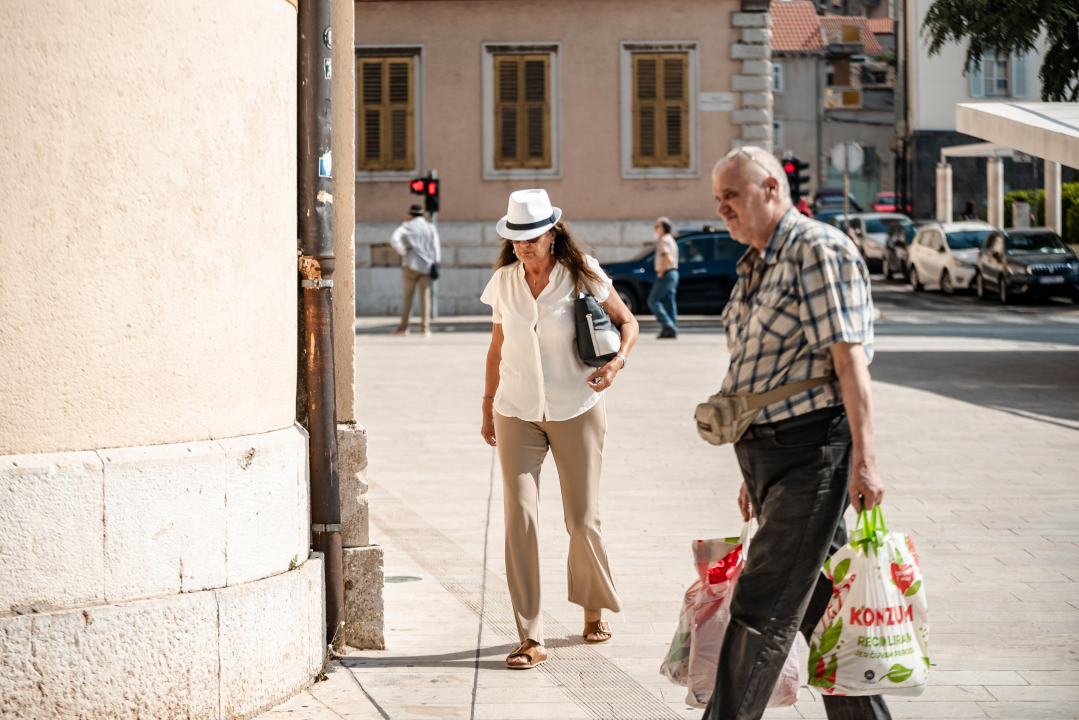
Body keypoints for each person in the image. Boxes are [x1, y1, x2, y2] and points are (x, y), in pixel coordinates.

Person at [705, 146, 889, 720]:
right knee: (822, 607)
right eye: (718, 199)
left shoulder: (817, 249)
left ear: (770, 188)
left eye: (731, 195)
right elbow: (763, 373)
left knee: (760, 606)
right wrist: (751, 472)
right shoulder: (756, 264)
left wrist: (866, 461)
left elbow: (849, 362)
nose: (723, 209)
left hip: (813, 453)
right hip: (770, 456)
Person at [479, 189, 640, 670]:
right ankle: (530, 636)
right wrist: (487, 405)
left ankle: (592, 610)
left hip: (577, 408)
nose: (523, 245)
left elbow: (627, 323)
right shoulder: (504, 282)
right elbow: (497, 347)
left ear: (552, 233)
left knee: (582, 519)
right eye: (516, 238)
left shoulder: (581, 272)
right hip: (516, 410)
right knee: (519, 517)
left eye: (531, 237)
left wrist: (616, 365)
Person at [390, 203, 441, 336]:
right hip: (426, 266)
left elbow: (394, 239)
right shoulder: (430, 227)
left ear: (411, 215)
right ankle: (425, 328)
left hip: (410, 264)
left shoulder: (406, 225)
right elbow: (435, 247)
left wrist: (403, 251)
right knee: (425, 298)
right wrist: (436, 263)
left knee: (408, 297)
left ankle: (404, 328)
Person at [647, 217, 679, 338]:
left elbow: (668, 258)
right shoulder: (671, 240)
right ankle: (672, 331)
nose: (655, 229)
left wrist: (661, 271)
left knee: (653, 300)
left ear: (663, 228)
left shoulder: (663, 240)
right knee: (669, 303)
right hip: (673, 273)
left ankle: (668, 325)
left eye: (657, 226)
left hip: (666, 273)